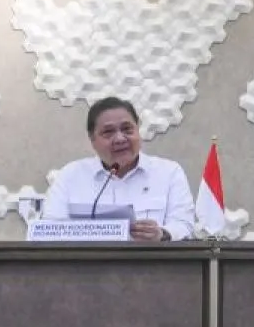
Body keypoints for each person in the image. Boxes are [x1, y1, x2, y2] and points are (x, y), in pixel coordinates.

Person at [44, 96, 195, 241]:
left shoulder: (169, 173)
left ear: (138, 130)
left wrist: (162, 234)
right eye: (108, 132)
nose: (120, 139)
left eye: (127, 129)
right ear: (92, 139)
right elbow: (50, 229)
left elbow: (185, 225)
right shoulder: (70, 176)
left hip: (151, 258)